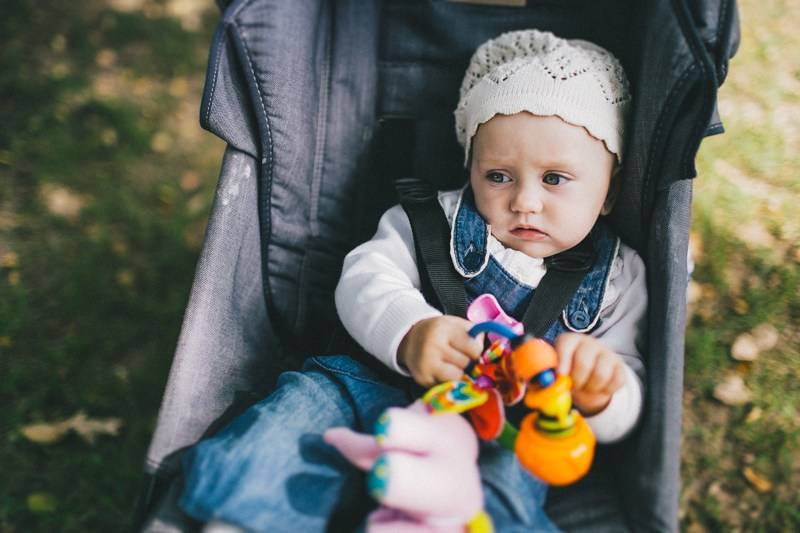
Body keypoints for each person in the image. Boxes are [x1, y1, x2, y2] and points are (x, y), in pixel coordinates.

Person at [178, 29, 647, 532]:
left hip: (501, 442)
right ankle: (240, 518)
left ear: (609, 191)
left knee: (503, 502)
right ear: (470, 166)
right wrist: (410, 330)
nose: (524, 201)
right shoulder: (429, 221)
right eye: (498, 176)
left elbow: (631, 387)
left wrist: (601, 392)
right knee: (291, 423)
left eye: (554, 179)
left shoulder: (620, 280)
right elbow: (364, 278)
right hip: (369, 386)